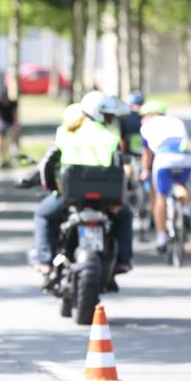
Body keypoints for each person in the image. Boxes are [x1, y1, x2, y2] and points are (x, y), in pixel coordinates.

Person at [28, 91, 134, 276]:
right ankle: (123, 261)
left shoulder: (65, 133)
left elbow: (47, 165)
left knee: (43, 215)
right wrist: (121, 197)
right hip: (107, 197)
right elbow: (120, 169)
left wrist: (54, 189)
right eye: (109, 116)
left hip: (71, 195)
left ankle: (44, 260)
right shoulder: (111, 136)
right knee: (125, 216)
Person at [138, 101, 191, 253]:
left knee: (160, 196)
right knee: (182, 185)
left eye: (143, 116)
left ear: (151, 115)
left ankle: (161, 237)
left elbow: (147, 154)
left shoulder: (147, 127)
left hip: (164, 158)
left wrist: (144, 171)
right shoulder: (176, 121)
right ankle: (186, 211)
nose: (142, 120)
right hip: (185, 156)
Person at [0, 90, 20, 168]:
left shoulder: (13, 104)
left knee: (13, 137)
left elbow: (15, 116)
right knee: (0, 139)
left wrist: (16, 125)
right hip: (1, 122)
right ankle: (1, 159)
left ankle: (13, 156)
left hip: (10, 122)